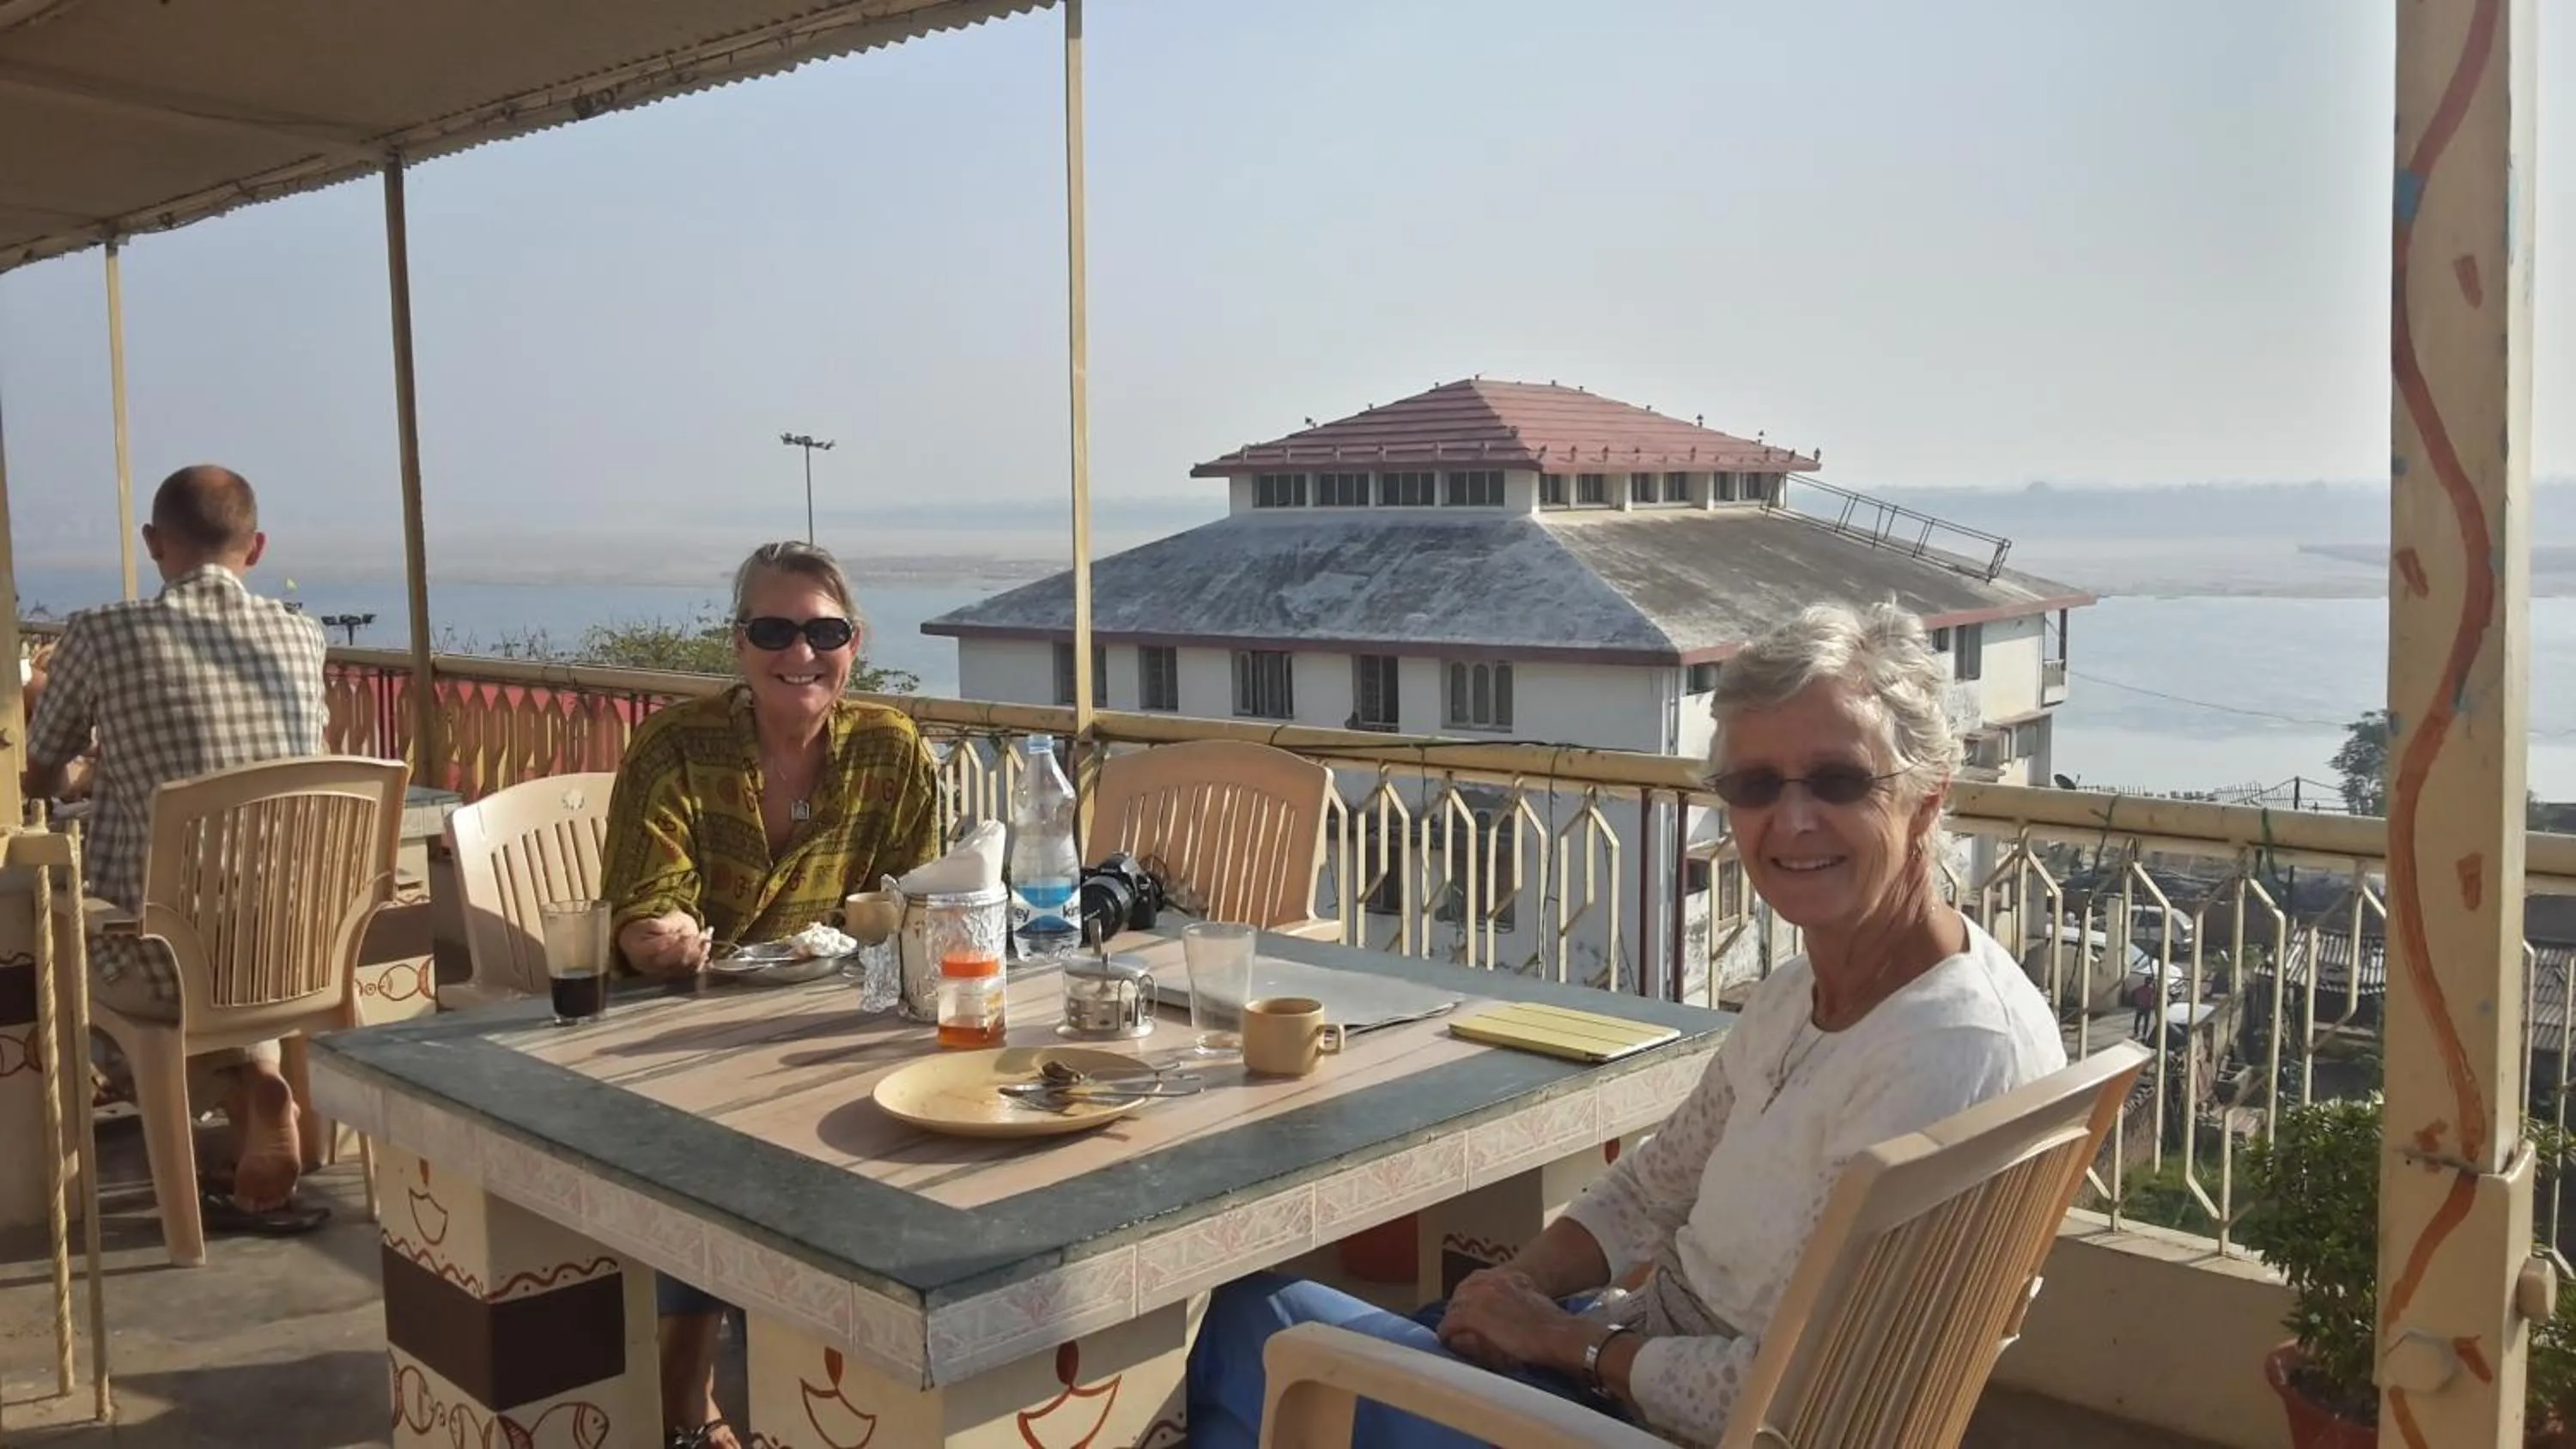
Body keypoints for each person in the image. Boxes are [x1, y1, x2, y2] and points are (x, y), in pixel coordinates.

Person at [1185, 602, 2069, 1448]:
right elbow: (1649, 1189)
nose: (1792, 819)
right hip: (1613, 1366)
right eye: (1756, 784)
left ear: (1926, 796)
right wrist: (1516, 1288)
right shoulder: (1802, 989)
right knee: (1365, 1326)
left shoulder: (1948, 1055)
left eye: (1838, 779)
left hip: (1634, 1418)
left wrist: (1568, 1345)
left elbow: (1792, 1393)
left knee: (1247, 1328)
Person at [598, 540, 944, 1449]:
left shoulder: (891, 750)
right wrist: (657, 937)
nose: (801, 652)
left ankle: (861, 1373)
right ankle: (687, 1380)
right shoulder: (676, 745)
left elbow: (924, 897)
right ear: (739, 644)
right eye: (774, 628)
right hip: (683, 1025)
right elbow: (643, 900)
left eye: (823, 629)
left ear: (854, 642)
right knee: (712, 1137)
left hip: (827, 1019)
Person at [22, 465, 332, 1231]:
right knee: (213, 940)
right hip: (302, 951)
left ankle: (227, 1096)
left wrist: (86, 770)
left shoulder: (101, 633)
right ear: (255, 549)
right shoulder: (302, 634)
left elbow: (38, 769)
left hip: (168, 964)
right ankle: (257, 1078)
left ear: (154, 543)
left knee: (61, 965)